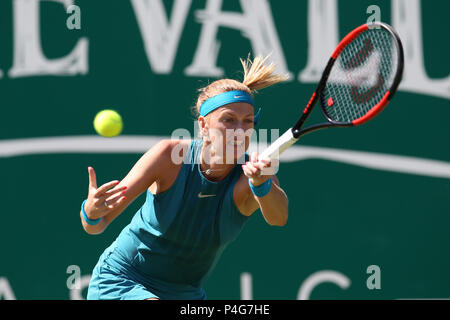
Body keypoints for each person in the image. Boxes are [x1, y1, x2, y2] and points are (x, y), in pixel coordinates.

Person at [81, 55, 289, 300]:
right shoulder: (169, 157)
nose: (240, 130)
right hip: (122, 280)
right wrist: (92, 212)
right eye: (228, 120)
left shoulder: (253, 175)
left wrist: (262, 185)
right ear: (203, 126)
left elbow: (279, 218)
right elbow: (96, 224)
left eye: (248, 122)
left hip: (184, 294)